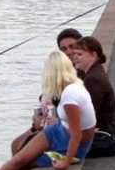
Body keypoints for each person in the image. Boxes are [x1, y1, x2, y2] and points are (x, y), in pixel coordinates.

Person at [0, 51, 96, 170]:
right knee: (19, 157)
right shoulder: (72, 86)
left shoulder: (71, 95)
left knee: (21, 165)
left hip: (72, 144)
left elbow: (77, 135)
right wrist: (45, 99)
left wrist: (66, 163)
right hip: (59, 130)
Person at [10, 28, 83, 157]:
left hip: (68, 131)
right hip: (55, 125)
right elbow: (53, 94)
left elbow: (82, 115)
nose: (69, 52)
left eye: (72, 47)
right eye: (64, 49)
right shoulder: (63, 72)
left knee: (22, 150)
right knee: (16, 144)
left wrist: (59, 123)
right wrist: (44, 98)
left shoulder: (81, 76)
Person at [71, 37, 115, 157]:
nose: (75, 58)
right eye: (74, 54)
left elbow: (88, 113)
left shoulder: (93, 79)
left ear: (93, 55)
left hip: (102, 140)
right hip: (106, 134)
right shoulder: (94, 72)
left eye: (79, 54)